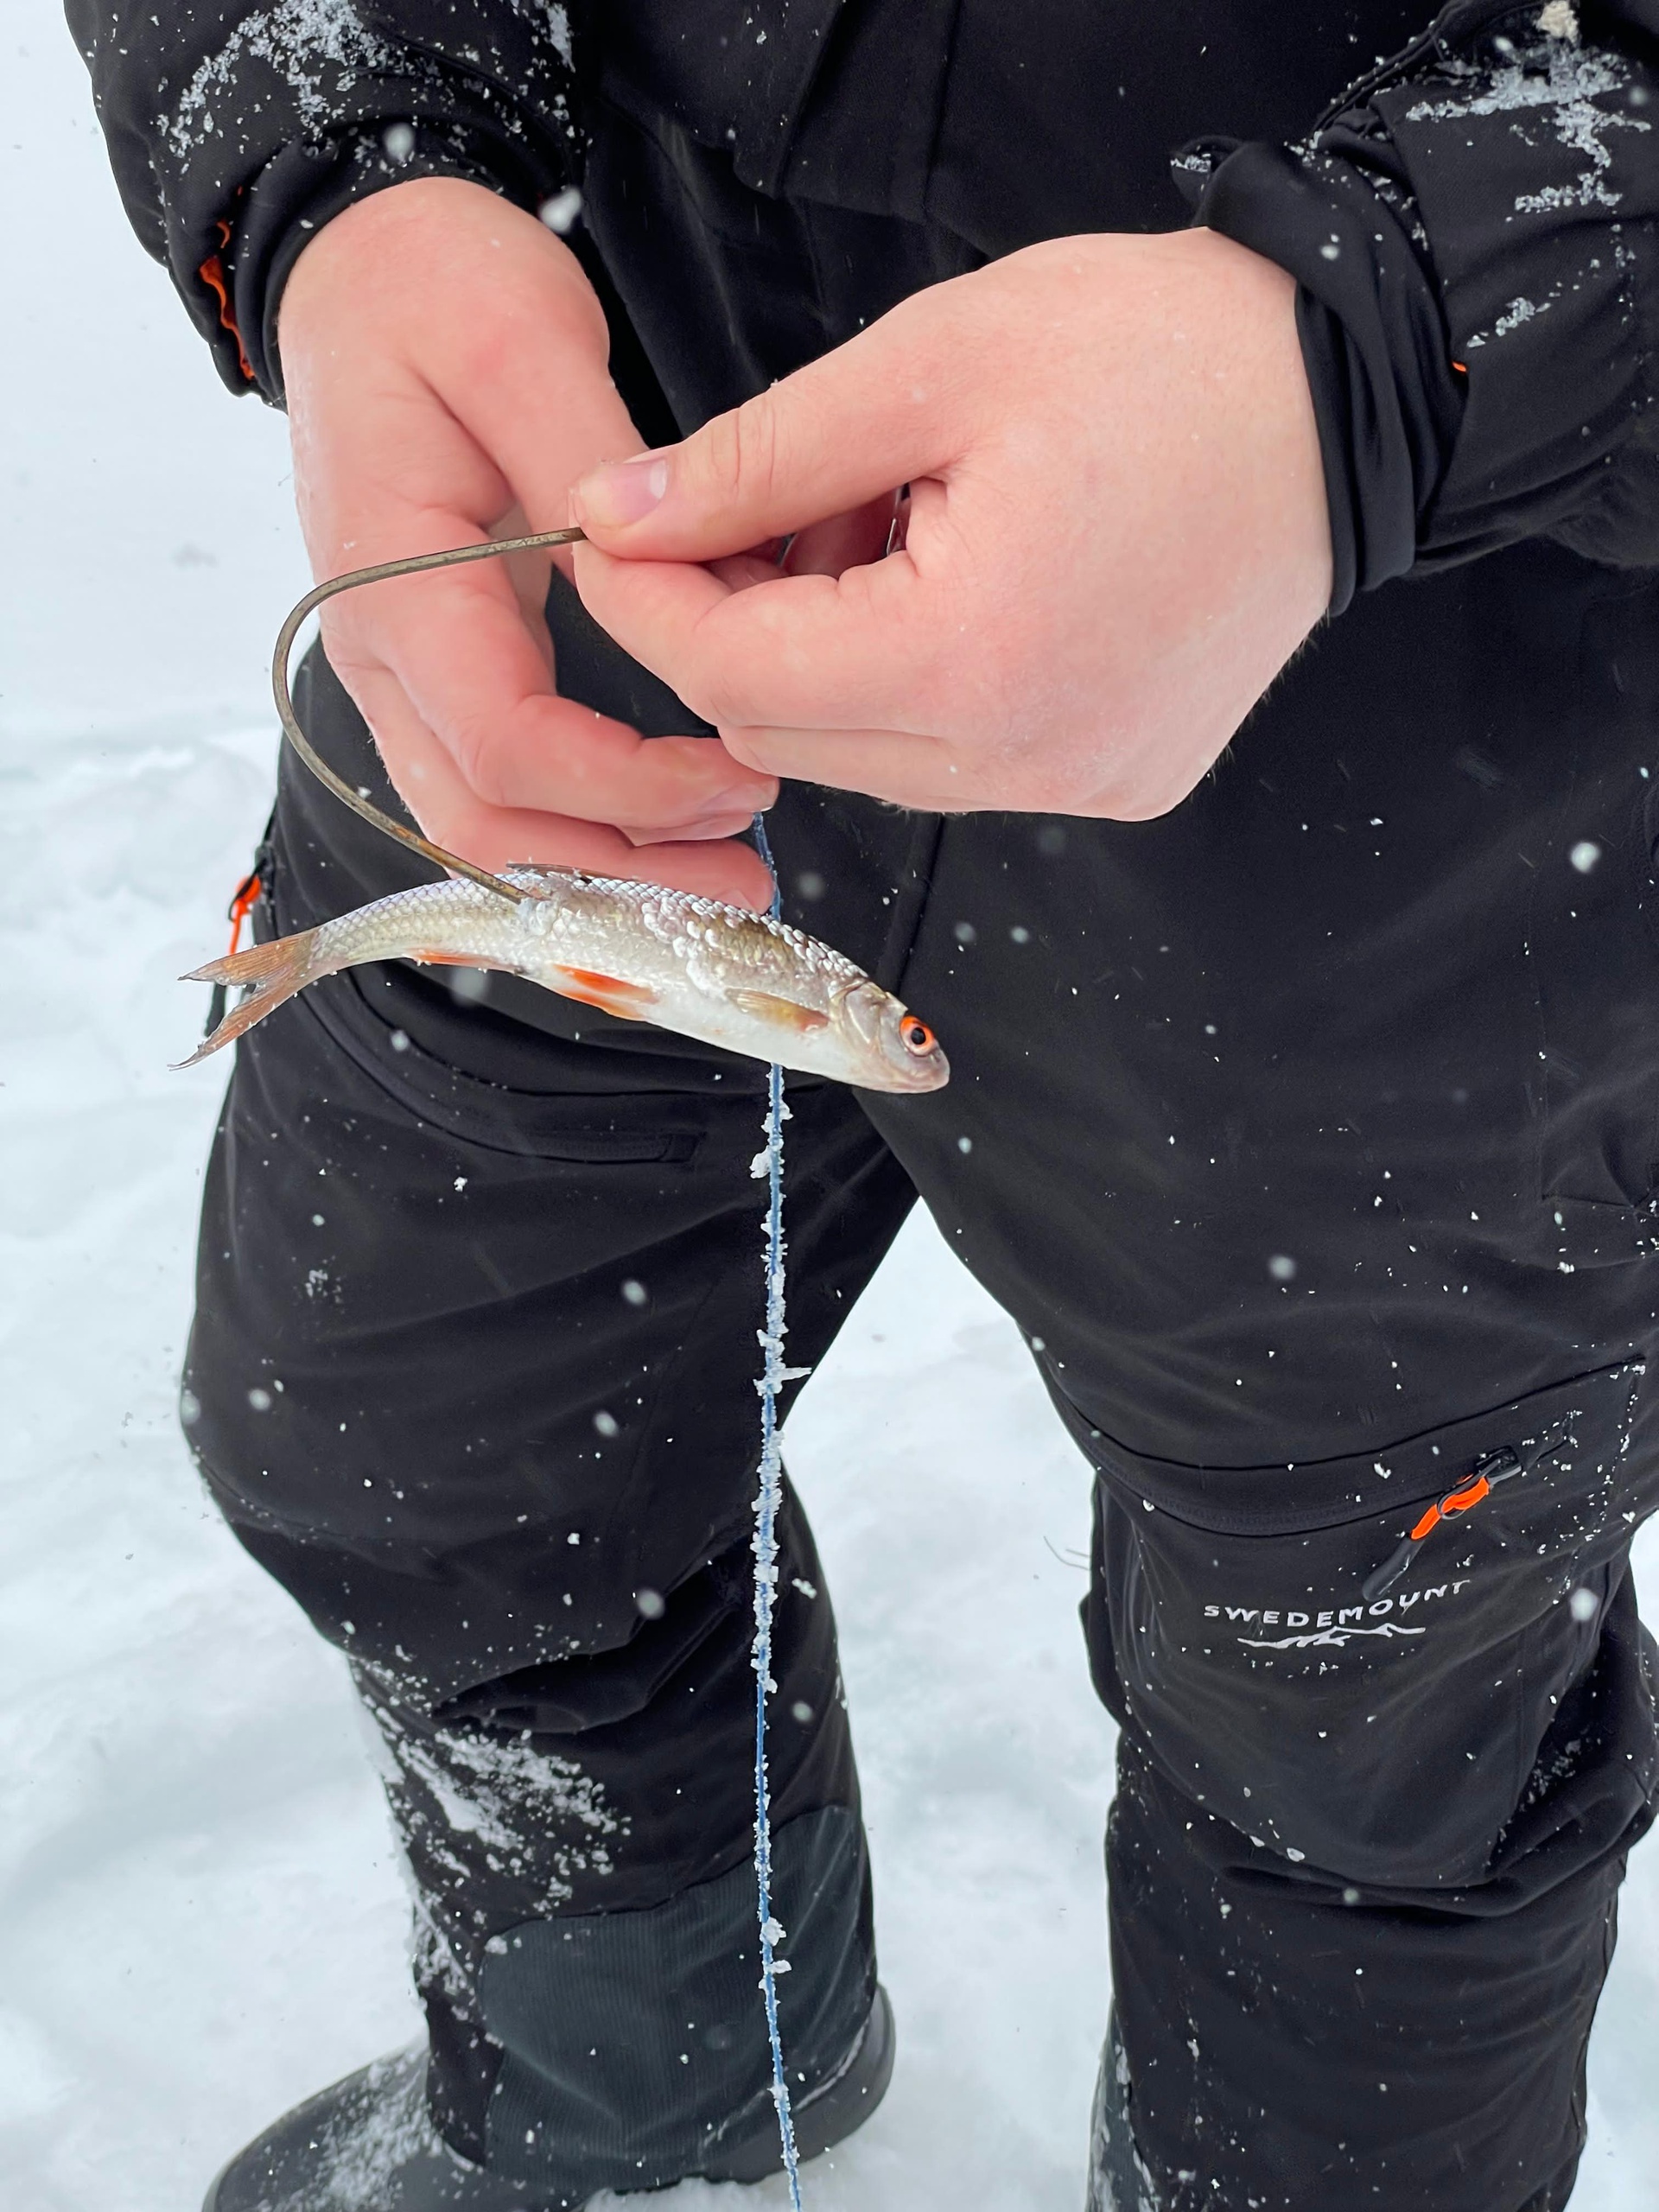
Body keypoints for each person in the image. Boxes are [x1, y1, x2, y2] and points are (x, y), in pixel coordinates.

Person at [68, 0, 1659, 2206]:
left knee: (1372, 1760)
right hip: (609, 518)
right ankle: (645, 2093)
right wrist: (340, 156)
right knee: (404, 1410)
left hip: (1451, 768)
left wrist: (1394, 344)